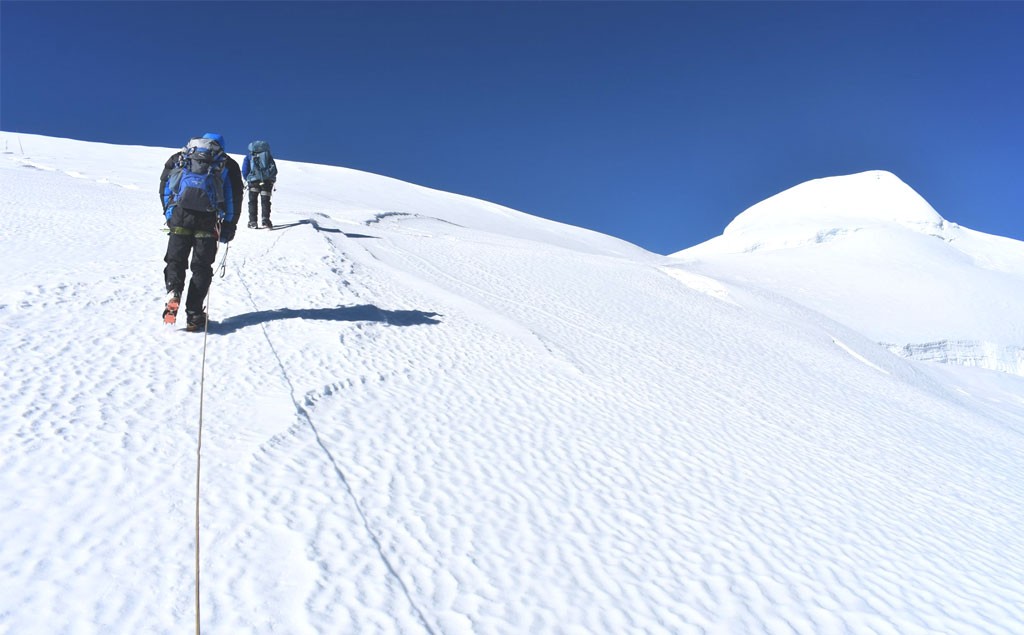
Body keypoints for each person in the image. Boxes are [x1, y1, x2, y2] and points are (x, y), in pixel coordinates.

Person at [160, 134, 239, 331]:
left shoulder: (182, 156)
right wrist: (229, 226)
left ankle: (173, 291)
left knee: (175, 260)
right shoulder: (227, 164)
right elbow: (233, 198)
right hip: (208, 220)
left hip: (180, 215)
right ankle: (194, 315)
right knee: (201, 267)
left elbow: (165, 187)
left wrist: (170, 214)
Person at [241, 140, 278, 229]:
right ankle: (265, 219)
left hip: (253, 182)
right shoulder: (267, 155)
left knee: (252, 201)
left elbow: (245, 170)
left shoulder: (249, 156)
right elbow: (274, 169)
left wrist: (248, 179)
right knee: (265, 201)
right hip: (267, 182)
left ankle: (253, 221)